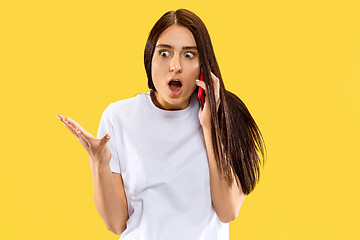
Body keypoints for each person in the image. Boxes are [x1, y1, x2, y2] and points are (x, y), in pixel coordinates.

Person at [57, 8, 266, 240]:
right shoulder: (118, 117)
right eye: (164, 53)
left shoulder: (222, 115)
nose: (175, 65)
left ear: (203, 66)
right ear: (150, 59)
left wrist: (210, 125)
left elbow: (228, 211)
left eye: (189, 55)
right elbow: (116, 224)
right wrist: (99, 162)